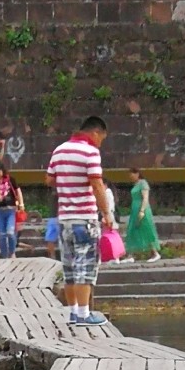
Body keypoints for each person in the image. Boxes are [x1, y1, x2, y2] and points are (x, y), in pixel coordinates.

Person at [46, 113, 115, 326]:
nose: (100, 143)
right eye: (101, 138)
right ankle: (85, 315)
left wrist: (68, 185)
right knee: (85, 267)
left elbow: (49, 180)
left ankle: (74, 312)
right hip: (84, 218)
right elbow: (97, 185)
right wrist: (107, 213)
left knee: (69, 267)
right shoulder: (90, 152)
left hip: (64, 219)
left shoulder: (59, 150)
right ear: (95, 132)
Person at [125, 168, 161, 262]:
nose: (131, 177)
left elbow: (145, 198)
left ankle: (155, 253)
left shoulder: (143, 183)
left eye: (132, 174)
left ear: (137, 174)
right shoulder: (135, 184)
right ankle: (131, 255)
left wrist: (142, 211)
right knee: (132, 229)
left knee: (146, 229)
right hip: (135, 209)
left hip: (142, 209)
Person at [0, 163, 23, 259]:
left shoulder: (10, 180)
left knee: (10, 232)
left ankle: (12, 252)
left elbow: (18, 191)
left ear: (2, 171)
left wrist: (21, 204)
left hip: (10, 209)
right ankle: (4, 255)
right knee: (2, 234)